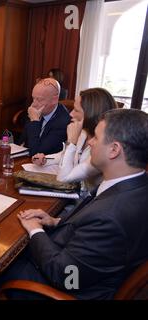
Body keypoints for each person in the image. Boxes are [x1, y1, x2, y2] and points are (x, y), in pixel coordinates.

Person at [10, 109, 148, 299]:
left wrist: (36, 230)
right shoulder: (134, 184)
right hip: (79, 264)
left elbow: (66, 277)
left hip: (64, 288)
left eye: (96, 138)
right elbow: (91, 232)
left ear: (114, 150)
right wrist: (55, 221)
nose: (90, 142)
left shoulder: (109, 217)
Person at [32, 88, 117, 192]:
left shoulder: (102, 147)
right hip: (71, 194)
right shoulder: (84, 132)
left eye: (76, 110)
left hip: (83, 201)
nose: (71, 114)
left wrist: (71, 142)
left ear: (90, 114)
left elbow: (63, 179)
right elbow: (63, 155)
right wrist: (46, 159)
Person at [19, 78, 71, 156]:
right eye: (33, 98)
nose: (33, 104)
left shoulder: (63, 122)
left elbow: (36, 153)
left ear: (54, 100)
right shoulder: (37, 109)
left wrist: (34, 121)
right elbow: (22, 142)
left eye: (39, 100)